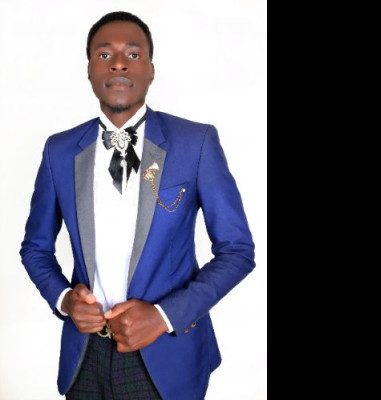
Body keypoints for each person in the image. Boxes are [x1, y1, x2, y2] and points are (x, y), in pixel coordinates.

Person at [20, 11, 255, 400]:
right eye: (104, 54)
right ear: (90, 71)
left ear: (151, 71)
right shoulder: (58, 151)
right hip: (85, 359)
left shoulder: (195, 143)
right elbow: (35, 248)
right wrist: (64, 300)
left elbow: (238, 250)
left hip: (167, 355)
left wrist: (163, 317)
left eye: (133, 54)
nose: (118, 63)